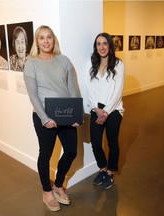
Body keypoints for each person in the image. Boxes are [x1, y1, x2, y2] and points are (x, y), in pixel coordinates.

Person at [23, 25, 81, 211]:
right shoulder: (31, 63)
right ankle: (47, 191)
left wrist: (76, 114)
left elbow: (73, 89)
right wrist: (45, 118)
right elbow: (33, 95)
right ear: (37, 42)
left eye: (49, 37)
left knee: (71, 151)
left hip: (66, 114)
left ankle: (58, 186)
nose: (46, 41)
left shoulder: (64, 60)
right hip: (44, 116)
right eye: (42, 38)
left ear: (53, 39)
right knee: (46, 154)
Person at [87, 32, 125, 189]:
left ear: (110, 45)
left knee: (112, 142)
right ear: (95, 47)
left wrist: (106, 112)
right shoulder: (92, 66)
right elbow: (90, 89)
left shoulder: (118, 64)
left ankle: (110, 172)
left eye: (104, 43)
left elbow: (118, 92)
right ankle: (102, 168)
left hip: (114, 110)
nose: (101, 47)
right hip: (97, 109)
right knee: (95, 142)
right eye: (98, 44)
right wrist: (96, 109)